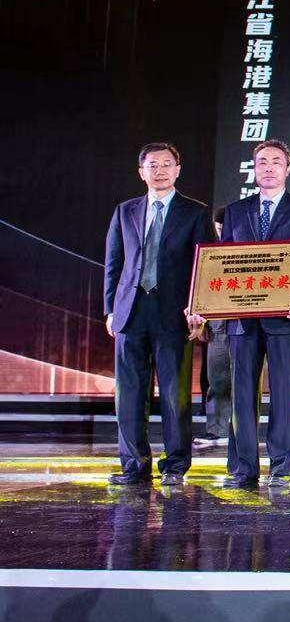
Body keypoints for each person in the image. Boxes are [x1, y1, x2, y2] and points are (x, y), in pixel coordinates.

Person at [103, 142, 213, 486]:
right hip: (131, 312)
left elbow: (205, 267)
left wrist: (200, 310)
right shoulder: (125, 211)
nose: (160, 171)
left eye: (167, 164)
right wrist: (110, 309)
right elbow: (113, 264)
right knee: (129, 393)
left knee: (173, 393)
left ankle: (175, 465)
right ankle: (133, 465)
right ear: (142, 172)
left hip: (174, 314)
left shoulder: (195, 212)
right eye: (153, 165)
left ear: (177, 170)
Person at [212, 139, 290, 487]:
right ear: (253, 168)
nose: (268, 167)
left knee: (286, 394)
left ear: (288, 168)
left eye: (276, 161)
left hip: (287, 317)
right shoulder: (235, 211)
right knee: (242, 393)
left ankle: (282, 467)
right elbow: (222, 263)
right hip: (242, 317)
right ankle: (243, 467)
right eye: (262, 161)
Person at [197, 210, 231, 449]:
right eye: (217, 229)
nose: (220, 233)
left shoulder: (250, 248)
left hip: (247, 324)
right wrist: (202, 321)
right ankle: (217, 430)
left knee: (244, 381)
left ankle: (242, 432)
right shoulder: (207, 253)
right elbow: (199, 288)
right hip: (217, 324)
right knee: (217, 380)